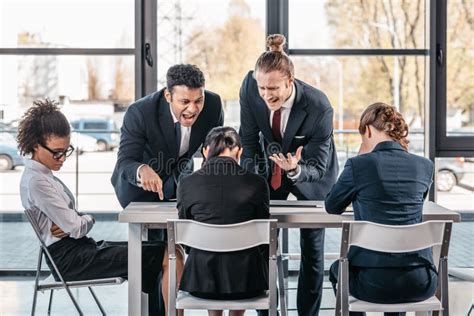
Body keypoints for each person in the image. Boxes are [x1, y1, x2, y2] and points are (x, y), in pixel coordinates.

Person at [17, 99, 184, 316]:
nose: (62, 159)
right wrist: (85, 219)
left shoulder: (41, 176)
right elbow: (76, 227)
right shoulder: (37, 181)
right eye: (57, 152)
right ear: (35, 145)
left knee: (174, 250)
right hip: (73, 261)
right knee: (167, 254)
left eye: (66, 151)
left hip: (80, 251)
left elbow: (72, 225)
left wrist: (74, 220)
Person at [239, 34, 338, 315]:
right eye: (262, 88)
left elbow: (319, 166)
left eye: (273, 89)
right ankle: (267, 310)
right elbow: (248, 141)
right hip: (269, 167)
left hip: (311, 175)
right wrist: (253, 180)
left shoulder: (319, 106)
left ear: (290, 81)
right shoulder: (249, 89)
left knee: (312, 249)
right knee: (261, 242)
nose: (266, 95)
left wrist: (294, 169)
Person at [325, 102, 437, 316]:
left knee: (337, 271)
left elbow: (332, 206)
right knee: (397, 263)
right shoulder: (425, 166)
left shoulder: (359, 165)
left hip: (373, 285)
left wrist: (359, 161)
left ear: (367, 130)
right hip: (422, 282)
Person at [177, 127, 270, 316]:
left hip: (201, 281)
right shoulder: (257, 183)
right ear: (240, 152)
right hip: (247, 282)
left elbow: (185, 234)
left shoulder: (186, 183)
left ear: (205, 151)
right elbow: (263, 236)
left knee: (207, 252)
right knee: (247, 255)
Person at [111, 63, 223, 208]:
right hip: (139, 189)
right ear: (168, 96)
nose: (193, 109)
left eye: (198, 101)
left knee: (183, 229)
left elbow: (213, 153)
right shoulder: (140, 112)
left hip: (180, 182)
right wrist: (142, 169)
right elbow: (125, 161)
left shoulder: (213, 105)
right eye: (185, 101)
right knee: (149, 230)